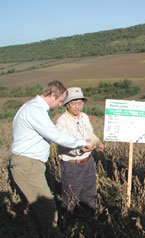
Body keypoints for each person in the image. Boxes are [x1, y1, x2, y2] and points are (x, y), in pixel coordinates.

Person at [10, 81, 93, 237]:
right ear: (53, 94)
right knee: (47, 207)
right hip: (28, 164)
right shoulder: (35, 110)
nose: (60, 104)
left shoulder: (31, 107)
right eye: (61, 101)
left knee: (39, 208)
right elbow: (55, 135)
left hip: (30, 164)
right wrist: (83, 142)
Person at [56, 87, 104, 215]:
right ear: (67, 104)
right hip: (72, 164)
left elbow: (90, 134)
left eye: (79, 103)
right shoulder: (62, 122)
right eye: (73, 103)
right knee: (71, 196)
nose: (77, 106)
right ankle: (68, 223)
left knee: (89, 192)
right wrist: (80, 150)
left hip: (88, 161)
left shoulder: (84, 117)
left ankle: (89, 218)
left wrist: (97, 142)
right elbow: (63, 144)